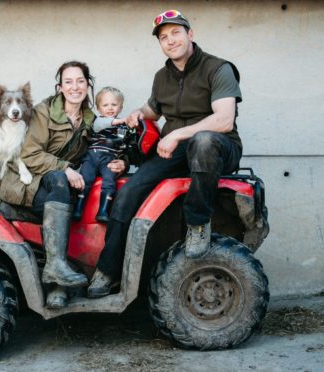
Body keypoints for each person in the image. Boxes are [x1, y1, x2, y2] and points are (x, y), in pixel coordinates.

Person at [87, 9, 243, 298]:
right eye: (163, 37)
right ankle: (108, 271)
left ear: (190, 34)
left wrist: (175, 134)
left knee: (204, 141)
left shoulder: (218, 68)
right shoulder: (162, 77)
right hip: (177, 150)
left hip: (218, 147)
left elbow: (224, 120)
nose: (170, 40)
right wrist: (137, 113)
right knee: (129, 191)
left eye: (175, 33)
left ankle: (198, 223)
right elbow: (153, 109)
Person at [0, 61, 126, 308]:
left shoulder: (91, 118)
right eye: (68, 82)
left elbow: (105, 146)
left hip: (60, 186)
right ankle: (57, 280)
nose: (74, 87)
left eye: (80, 81)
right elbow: (29, 154)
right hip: (27, 182)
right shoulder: (44, 111)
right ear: (60, 87)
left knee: (76, 196)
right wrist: (65, 169)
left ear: (88, 85)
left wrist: (121, 161)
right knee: (59, 181)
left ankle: (59, 282)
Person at [72, 86, 131, 222]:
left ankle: (103, 211)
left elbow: (122, 143)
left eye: (114, 105)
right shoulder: (97, 122)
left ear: (120, 108)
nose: (110, 108)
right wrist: (118, 121)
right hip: (92, 157)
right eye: (105, 105)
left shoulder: (122, 127)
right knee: (85, 180)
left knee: (109, 182)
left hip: (109, 159)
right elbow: (101, 124)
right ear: (99, 109)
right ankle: (78, 209)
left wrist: (120, 144)